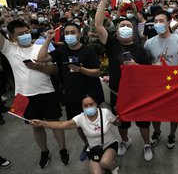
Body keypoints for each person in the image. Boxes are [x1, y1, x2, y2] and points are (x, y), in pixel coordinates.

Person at [0, 20, 69, 168]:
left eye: (26, 32)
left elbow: (55, 70)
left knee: (55, 123)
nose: (25, 35)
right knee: (36, 127)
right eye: (20, 34)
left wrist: (38, 67)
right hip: (23, 96)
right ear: (11, 37)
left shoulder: (40, 47)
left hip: (47, 91)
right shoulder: (9, 49)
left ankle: (63, 149)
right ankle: (44, 151)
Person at [95, 0, 154, 161]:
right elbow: (98, 25)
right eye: (122, 25)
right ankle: (125, 141)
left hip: (138, 94)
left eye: (129, 24)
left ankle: (146, 143)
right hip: (117, 93)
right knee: (122, 121)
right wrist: (103, 2)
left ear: (134, 30)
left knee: (143, 122)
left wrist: (136, 67)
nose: (126, 26)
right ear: (118, 30)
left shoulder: (140, 49)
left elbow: (149, 73)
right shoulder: (112, 44)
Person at [37, 22, 104, 161]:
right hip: (71, 95)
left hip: (89, 94)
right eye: (66, 33)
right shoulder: (61, 51)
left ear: (79, 34)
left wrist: (81, 69)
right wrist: (48, 39)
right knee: (78, 124)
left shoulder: (87, 51)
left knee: (94, 121)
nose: (69, 35)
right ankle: (87, 145)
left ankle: (99, 145)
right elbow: (41, 58)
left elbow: (97, 72)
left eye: (73, 32)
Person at [31, 94, 120, 174]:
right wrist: (42, 123)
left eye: (91, 104)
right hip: (94, 149)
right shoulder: (80, 118)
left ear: (96, 103)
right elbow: (62, 124)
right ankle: (105, 161)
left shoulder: (105, 112)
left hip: (110, 145)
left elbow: (116, 123)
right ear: (82, 106)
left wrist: (119, 121)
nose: (89, 107)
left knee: (105, 162)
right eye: (85, 106)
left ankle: (114, 166)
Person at [144, 9, 178, 151]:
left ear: (168, 21)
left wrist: (175, 69)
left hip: (174, 82)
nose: (158, 24)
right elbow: (145, 65)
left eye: (161, 21)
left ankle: (172, 134)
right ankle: (157, 132)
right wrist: (153, 67)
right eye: (156, 22)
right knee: (155, 110)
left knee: (173, 111)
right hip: (156, 84)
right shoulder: (149, 43)